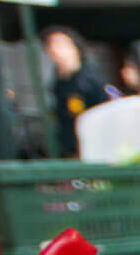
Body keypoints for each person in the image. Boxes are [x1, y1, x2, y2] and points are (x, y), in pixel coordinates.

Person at [41, 28, 105, 158]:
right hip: (68, 146)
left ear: (75, 48)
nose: (56, 50)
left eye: (61, 45)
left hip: (91, 146)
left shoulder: (89, 80)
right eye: (51, 45)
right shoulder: (58, 83)